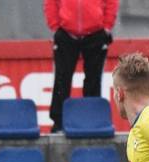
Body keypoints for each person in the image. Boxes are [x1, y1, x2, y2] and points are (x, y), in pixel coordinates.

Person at [44, 0, 119, 133]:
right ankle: (59, 122)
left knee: (93, 80)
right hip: (66, 33)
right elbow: (51, 2)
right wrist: (55, 26)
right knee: (62, 79)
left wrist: (107, 25)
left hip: (95, 32)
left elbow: (111, 2)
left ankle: (91, 120)